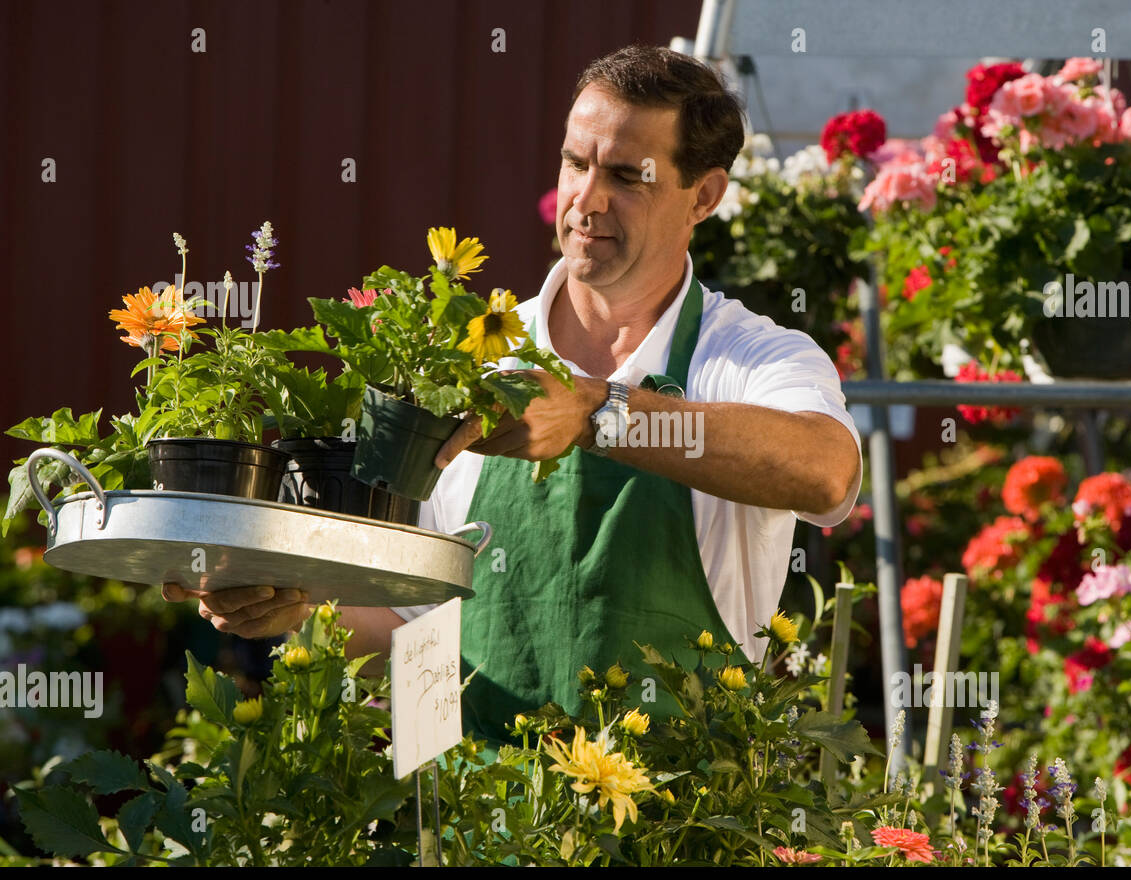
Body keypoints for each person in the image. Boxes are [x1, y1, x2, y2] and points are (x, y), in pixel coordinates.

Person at [164, 44, 863, 746]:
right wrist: (293, 607)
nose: (586, 202)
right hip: (487, 824)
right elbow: (416, 634)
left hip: (683, 824)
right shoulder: (466, 360)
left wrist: (598, 413)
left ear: (704, 196)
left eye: (626, 176)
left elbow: (826, 471)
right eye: (574, 163)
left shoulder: (746, 356)